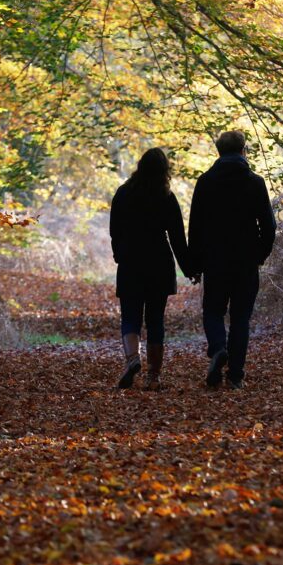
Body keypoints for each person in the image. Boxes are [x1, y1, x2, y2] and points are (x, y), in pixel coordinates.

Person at [188, 131, 276, 389]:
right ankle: (235, 375)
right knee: (240, 318)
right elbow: (269, 227)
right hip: (246, 261)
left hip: (215, 261)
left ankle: (217, 349)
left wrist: (195, 264)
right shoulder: (255, 182)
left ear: (219, 152)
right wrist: (260, 255)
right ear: (243, 150)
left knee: (213, 311)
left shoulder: (205, 182)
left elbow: (195, 227)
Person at [109, 148, 192, 390]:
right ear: (164, 170)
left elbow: (115, 230)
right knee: (155, 320)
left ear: (140, 166)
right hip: (158, 262)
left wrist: (119, 254)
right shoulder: (166, 197)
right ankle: (153, 376)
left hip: (131, 262)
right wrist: (188, 268)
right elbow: (177, 237)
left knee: (130, 317)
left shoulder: (123, 193)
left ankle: (132, 360)